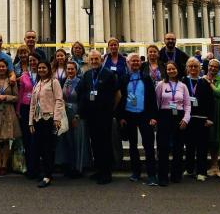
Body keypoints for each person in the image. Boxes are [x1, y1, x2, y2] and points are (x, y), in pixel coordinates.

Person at [76, 50, 120, 185]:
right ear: (88, 61)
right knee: (94, 143)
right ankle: (99, 170)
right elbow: (81, 91)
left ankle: (107, 173)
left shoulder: (109, 74)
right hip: (91, 116)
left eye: (96, 59)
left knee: (105, 144)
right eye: (91, 59)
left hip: (104, 116)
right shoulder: (87, 74)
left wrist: (111, 110)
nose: (94, 61)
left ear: (101, 60)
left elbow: (118, 95)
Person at [118, 53, 158, 185]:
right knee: (133, 145)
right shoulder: (124, 79)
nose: (135, 63)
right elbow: (121, 98)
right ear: (128, 63)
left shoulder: (146, 78)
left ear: (140, 63)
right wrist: (121, 116)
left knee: (148, 145)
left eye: (137, 61)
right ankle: (136, 172)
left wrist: (153, 116)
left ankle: (152, 174)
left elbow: (152, 98)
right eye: (132, 61)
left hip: (144, 115)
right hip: (129, 115)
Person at [29, 58, 64, 188]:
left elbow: (59, 100)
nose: (41, 70)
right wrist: (30, 122)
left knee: (48, 148)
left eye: (44, 67)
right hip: (38, 120)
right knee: (39, 148)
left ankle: (48, 176)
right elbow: (33, 104)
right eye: (39, 68)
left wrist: (57, 119)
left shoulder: (54, 82)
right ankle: (45, 172)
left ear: (48, 69)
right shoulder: (38, 84)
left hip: (49, 119)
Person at [155, 62, 191, 186]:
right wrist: (156, 119)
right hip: (164, 116)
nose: (171, 71)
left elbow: (187, 105)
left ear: (177, 69)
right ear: (166, 71)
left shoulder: (183, 86)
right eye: (169, 69)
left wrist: (186, 119)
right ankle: (163, 177)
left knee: (178, 147)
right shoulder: (161, 85)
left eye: (173, 68)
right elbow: (156, 103)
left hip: (179, 116)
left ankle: (176, 175)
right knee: (163, 148)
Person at [56, 60, 89, 178]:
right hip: (65, 114)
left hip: (76, 114)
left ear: (76, 70)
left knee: (77, 140)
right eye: (68, 69)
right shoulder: (63, 81)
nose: (70, 71)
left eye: (72, 69)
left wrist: (77, 115)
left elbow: (84, 100)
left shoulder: (81, 82)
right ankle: (68, 165)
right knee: (66, 140)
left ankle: (78, 167)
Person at [182, 58, 214, 181]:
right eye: (191, 66)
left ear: (199, 68)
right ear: (187, 68)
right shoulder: (184, 81)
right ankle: (189, 169)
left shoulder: (204, 82)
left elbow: (210, 102)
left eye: (195, 66)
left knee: (202, 147)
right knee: (189, 146)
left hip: (202, 119)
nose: (193, 69)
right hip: (188, 118)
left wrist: (210, 118)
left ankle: (201, 171)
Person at [16, 53, 39, 179]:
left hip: (39, 109)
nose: (32, 63)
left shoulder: (43, 75)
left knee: (37, 138)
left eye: (34, 60)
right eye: (30, 61)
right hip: (25, 108)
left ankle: (38, 167)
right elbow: (20, 93)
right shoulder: (24, 76)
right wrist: (18, 110)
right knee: (27, 139)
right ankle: (30, 168)